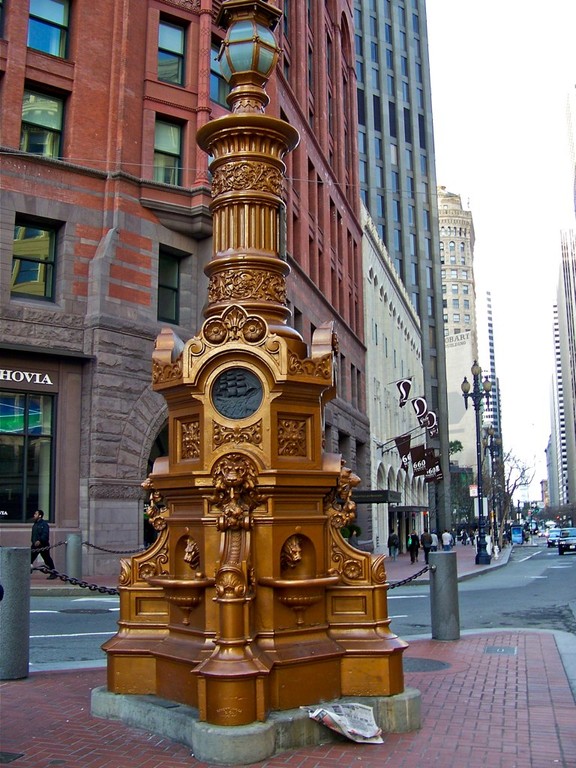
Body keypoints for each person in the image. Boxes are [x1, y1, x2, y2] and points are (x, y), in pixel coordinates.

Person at [31, 509, 58, 579]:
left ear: (40, 515)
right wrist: (33, 542)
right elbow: (33, 535)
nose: (34, 515)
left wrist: (40, 541)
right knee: (29, 559)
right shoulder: (35, 524)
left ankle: (53, 573)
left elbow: (45, 534)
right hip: (34, 546)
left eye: (35, 514)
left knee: (47, 559)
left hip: (43, 545)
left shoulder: (44, 524)